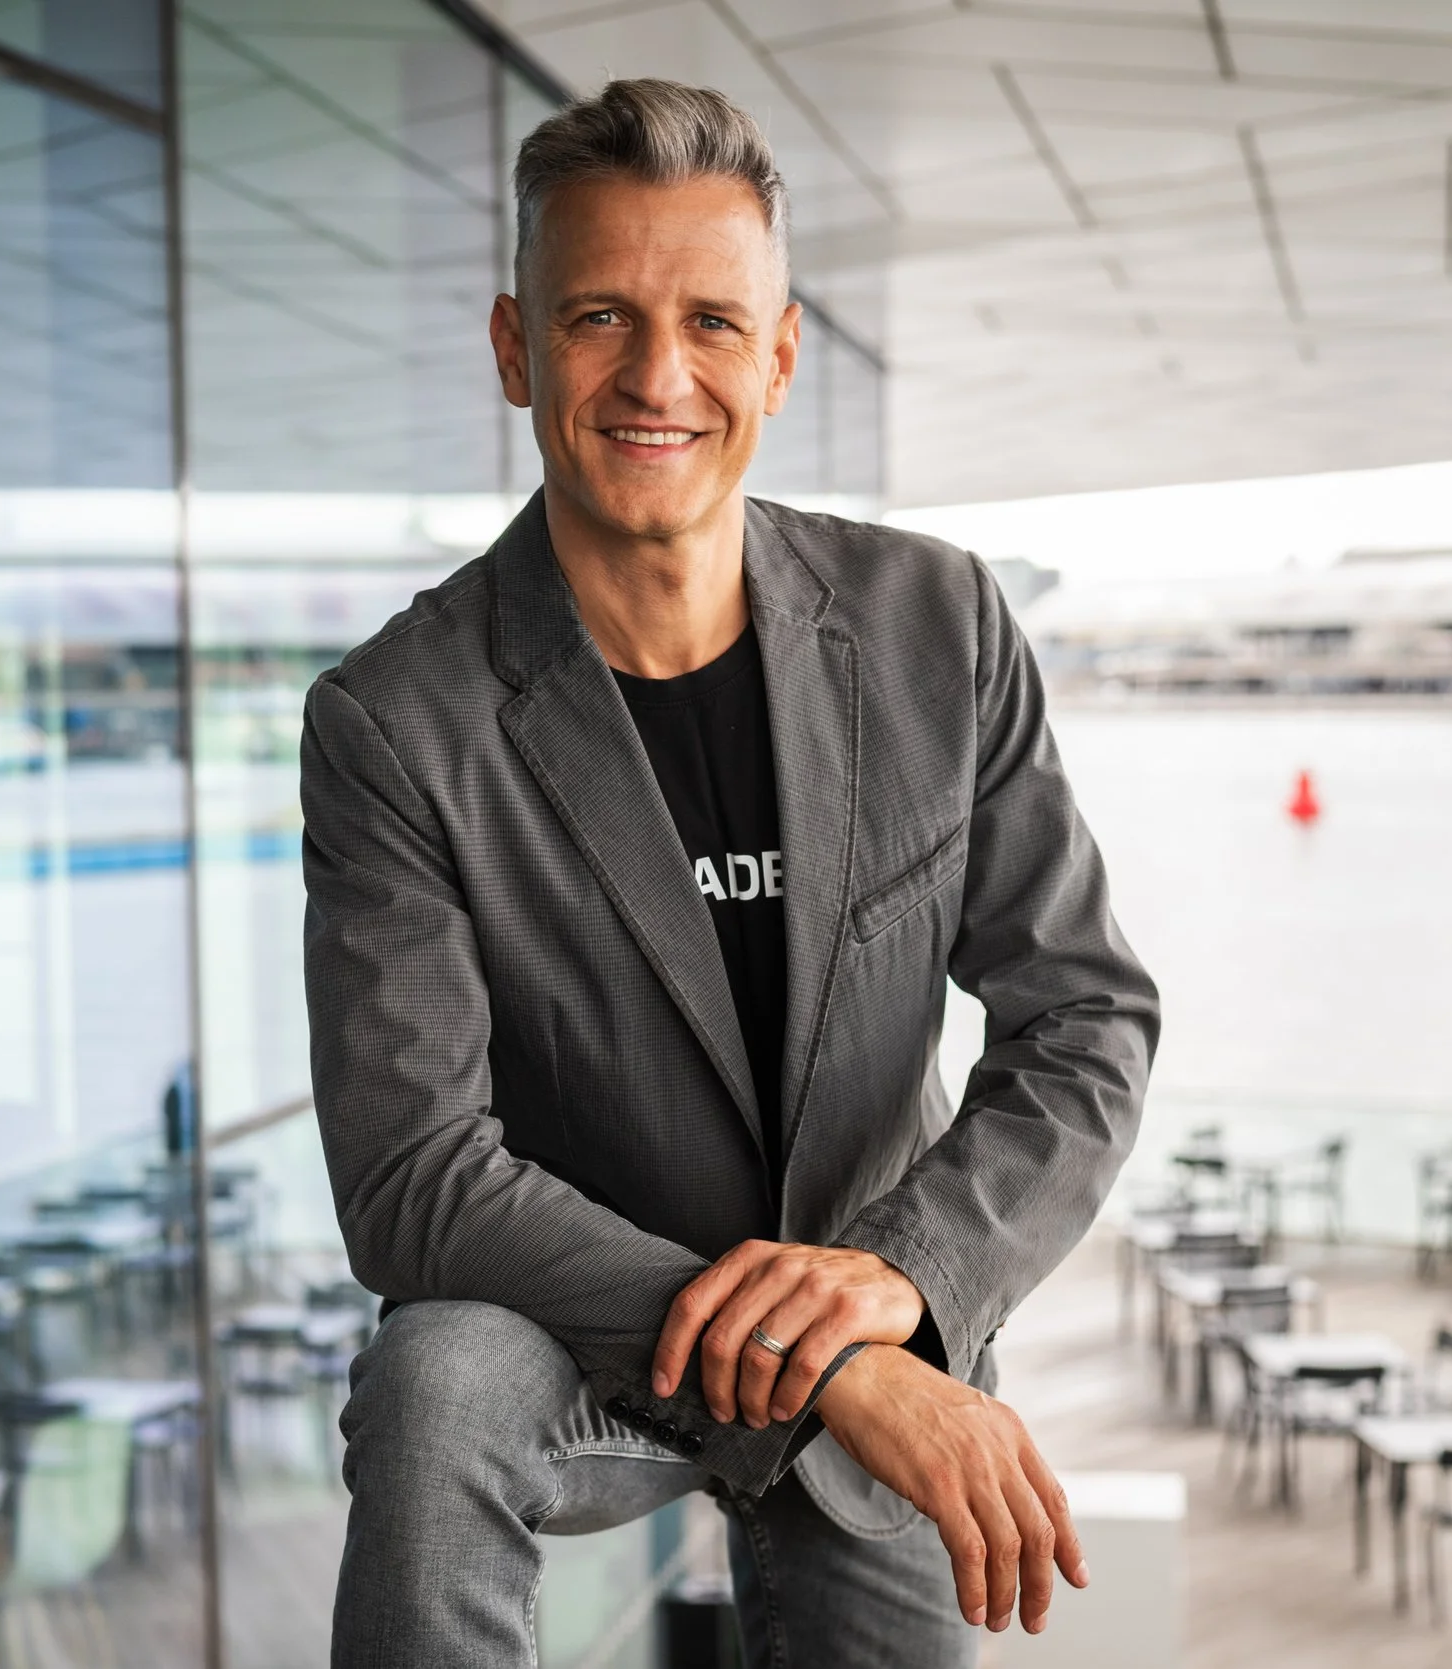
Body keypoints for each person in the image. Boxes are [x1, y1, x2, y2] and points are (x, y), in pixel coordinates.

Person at [300, 78, 1158, 1668]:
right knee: (433, 1387)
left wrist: (905, 1283)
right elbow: (414, 1176)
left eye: (710, 322)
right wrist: (832, 1368)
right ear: (515, 349)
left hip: (872, 1289)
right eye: (599, 319)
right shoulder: (396, 721)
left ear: (779, 356)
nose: (657, 377)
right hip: (579, 1330)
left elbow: (1086, 1019)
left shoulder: (940, 625)